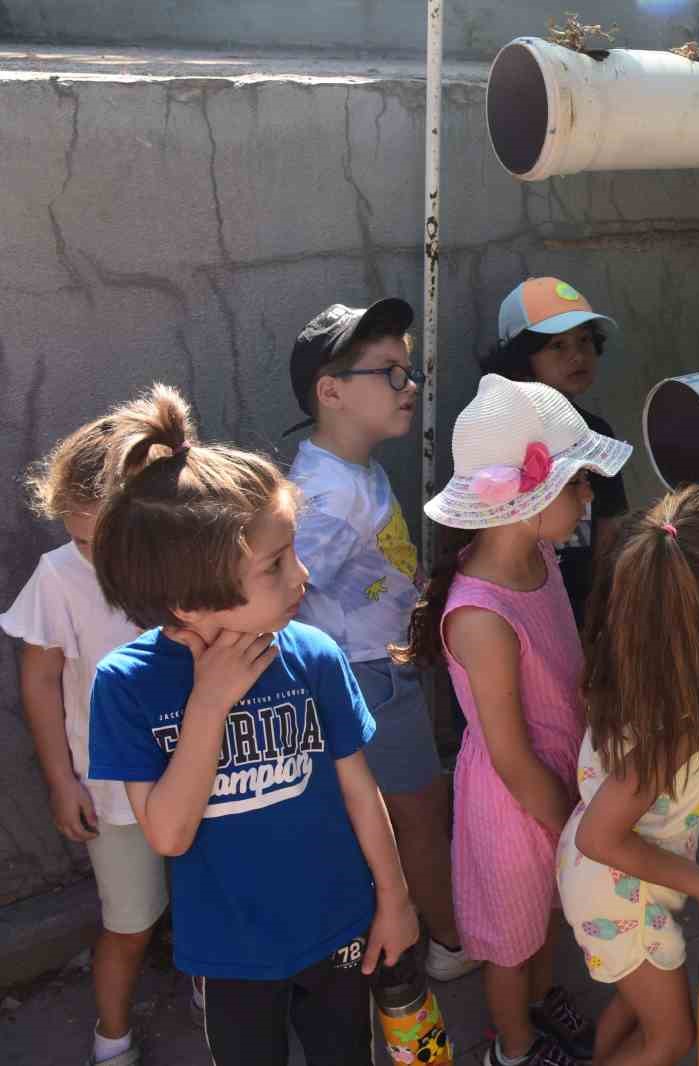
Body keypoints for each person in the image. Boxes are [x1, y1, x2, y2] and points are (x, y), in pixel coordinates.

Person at [85, 385, 418, 1066]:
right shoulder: (126, 686)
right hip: (231, 956)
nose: (301, 575)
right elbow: (170, 835)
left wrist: (396, 900)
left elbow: (360, 790)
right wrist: (209, 703)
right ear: (187, 596)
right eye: (275, 564)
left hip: (339, 931)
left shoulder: (313, 655)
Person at [392, 374, 632, 1066]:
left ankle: (543, 994)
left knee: (545, 919)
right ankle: (515, 1045)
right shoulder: (481, 618)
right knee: (509, 939)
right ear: (530, 500)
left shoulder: (541, 556)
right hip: (516, 804)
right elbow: (510, 755)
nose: (589, 497)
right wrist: (573, 829)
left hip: (558, 778)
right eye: (579, 484)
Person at [283, 298, 474, 982]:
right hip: (364, 679)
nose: (412, 385)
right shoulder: (324, 501)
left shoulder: (355, 473)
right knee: (420, 812)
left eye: (408, 368)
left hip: (382, 670)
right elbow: (279, 601)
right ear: (331, 391)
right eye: (390, 372)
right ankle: (451, 940)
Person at [556, 485, 699, 1066]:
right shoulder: (676, 723)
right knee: (671, 1038)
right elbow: (602, 836)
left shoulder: (627, 664)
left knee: (637, 1006)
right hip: (619, 889)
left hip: (618, 881)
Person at [3, 411, 180, 1066]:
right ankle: (112, 1034)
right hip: (111, 792)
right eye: (79, 538)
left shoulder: (183, 560)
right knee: (130, 921)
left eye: (104, 537)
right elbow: (41, 682)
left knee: (208, 899)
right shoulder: (57, 576)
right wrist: (59, 780)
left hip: (205, 775)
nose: (93, 554)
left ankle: (213, 991)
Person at [479, 277, 630, 626]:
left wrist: (600, 619)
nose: (577, 356)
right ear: (520, 357)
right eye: (557, 346)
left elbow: (609, 535)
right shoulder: (496, 435)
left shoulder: (597, 435)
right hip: (514, 613)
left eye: (585, 341)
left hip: (581, 613)